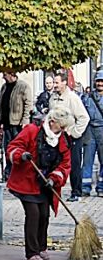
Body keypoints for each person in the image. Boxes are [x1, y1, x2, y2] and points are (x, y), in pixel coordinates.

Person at [7, 107, 73, 260]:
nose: (63, 130)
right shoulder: (32, 130)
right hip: (26, 181)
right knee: (33, 214)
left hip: (45, 184)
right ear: (52, 122)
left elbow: (65, 164)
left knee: (44, 214)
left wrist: (54, 179)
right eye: (61, 126)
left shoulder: (63, 140)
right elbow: (12, 147)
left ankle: (42, 247)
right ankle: (32, 252)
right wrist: (21, 155)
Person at [49, 72, 90, 201]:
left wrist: (74, 133)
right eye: (54, 82)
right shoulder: (52, 98)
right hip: (57, 137)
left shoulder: (72, 98)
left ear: (64, 83)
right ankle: (55, 192)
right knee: (56, 164)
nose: (54, 85)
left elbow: (84, 117)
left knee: (74, 165)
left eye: (57, 82)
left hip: (71, 138)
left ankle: (76, 192)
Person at [0, 72, 33, 180]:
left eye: (5, 74)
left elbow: (28, 104)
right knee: (7, 149)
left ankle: (18, 173)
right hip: (6, 124)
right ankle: (9, 172)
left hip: (18, 124)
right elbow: (1, 105)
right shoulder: (4, 87)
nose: (3, 76)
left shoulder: (23, 86)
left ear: (11, 74)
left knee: (18, 149)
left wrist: (25, 120)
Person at [81, 70, 103, 196]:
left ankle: (101, 187)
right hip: (89, 130)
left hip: (102, 129)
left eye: (102, 81)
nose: (100, 84)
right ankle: (85, 187)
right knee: (87, 160)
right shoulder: (87, 97)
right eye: (98, 81)